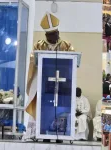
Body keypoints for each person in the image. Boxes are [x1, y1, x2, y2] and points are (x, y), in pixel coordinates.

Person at [24, 12, 74, 142]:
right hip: (44, 83)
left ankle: (60, 134)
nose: (55, 36)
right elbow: (33, 62)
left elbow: (73, 60)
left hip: (62, 83)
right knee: (45, 108)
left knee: (60, 108)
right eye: (51, 34)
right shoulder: (39, 45)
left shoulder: (66, 45)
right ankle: (43, 133)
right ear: (46, 35)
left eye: (56, 33)